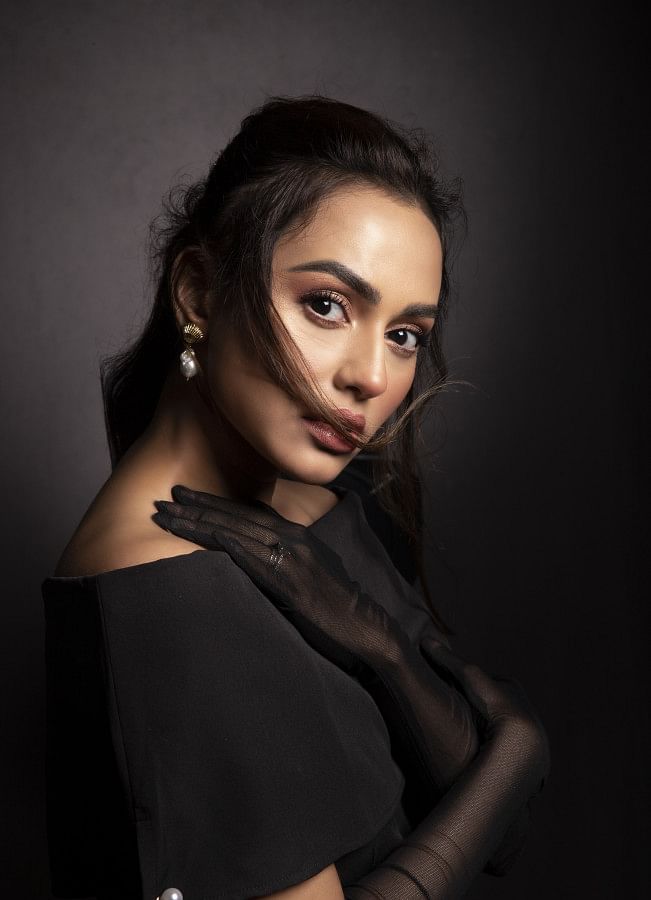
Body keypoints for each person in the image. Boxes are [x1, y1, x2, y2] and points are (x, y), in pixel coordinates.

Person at [42, 95, 550, 900]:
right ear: (199, 294)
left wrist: (379, 646)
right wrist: (516, 751)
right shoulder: (174, 597)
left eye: (404, 335)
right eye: (326, 305)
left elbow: (507, 834)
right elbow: (495, 794)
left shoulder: (320, 505)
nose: (372, 377)